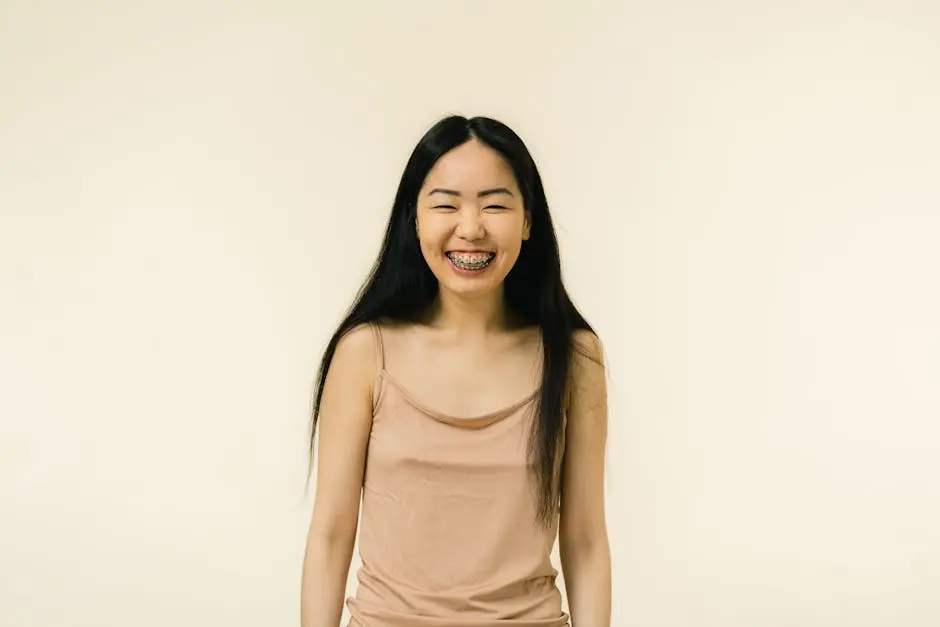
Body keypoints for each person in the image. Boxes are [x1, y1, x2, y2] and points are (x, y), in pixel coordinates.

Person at [300, 115, 611, 627]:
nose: (471, 227)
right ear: (415, 219)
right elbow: (331, 533)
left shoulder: (575, 357)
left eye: (495, 204)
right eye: (445, 204)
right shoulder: (364, 353)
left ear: (528, 220)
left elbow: (585, 539)